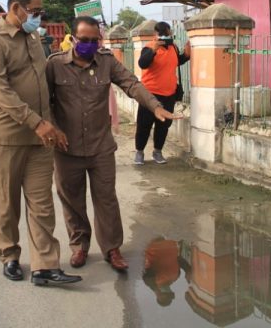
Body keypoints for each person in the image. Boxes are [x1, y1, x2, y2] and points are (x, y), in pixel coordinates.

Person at [47, 16, 177, 272]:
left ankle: (111, 249)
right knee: (72, 200)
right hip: (66, 148)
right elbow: (44, 100)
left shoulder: (106, 62)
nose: (89, 45)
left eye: (94, 40)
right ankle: (79, 246)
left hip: (100, 146)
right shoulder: (55, 66)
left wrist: (155, 106)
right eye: (83, 40)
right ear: (72, 39)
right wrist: (52, 128)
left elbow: (131, 83)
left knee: (106, 199)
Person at [0, 0, 81, 287]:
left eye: (40, 11)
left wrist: (50, 124)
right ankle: (9, 255)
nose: (38, 16)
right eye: (34, 11)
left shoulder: (34, 37)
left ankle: (44, 266)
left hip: (39, 138)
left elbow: (41, 85)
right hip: (4, 138)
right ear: (16, 9)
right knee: (6, 204)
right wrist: (37, 123)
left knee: (42, 204)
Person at [135, 21, 190, 165]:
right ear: (156, 34)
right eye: (162, 34)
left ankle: (157, 152)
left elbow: (176, 62)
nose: (165, 36)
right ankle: (139, 152)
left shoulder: (173, 47)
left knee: (164, 125)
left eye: (167, 33)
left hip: (169, 94)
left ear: (170, 33)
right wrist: (154, 49)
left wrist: (187, 55)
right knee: (144, 125)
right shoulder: (149, 47)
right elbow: (143, 63)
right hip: (149, 94)